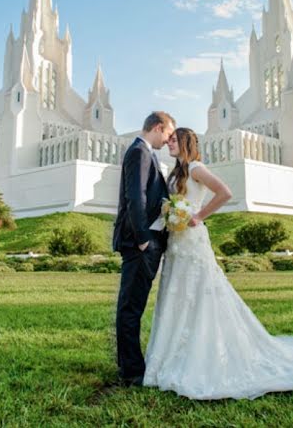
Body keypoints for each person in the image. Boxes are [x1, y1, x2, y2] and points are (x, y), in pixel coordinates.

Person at [143, 127, 293, 400]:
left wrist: (198, 215)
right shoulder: (176, 172)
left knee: (200, 294)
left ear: (185, 142)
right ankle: (174, 353)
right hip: (177, 243)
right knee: (177, 294)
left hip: (193, 241)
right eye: (169, 139)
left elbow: (224, 192)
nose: (169, 143)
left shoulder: (197, 168)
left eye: (174, 140)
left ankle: (202, 354)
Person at [112, 111, 176, 386]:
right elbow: (135, 196)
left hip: (147, 241)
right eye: (169, 134)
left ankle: (130, 363)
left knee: (133, 305)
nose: (169, 139)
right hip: (140, 243)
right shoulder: (139, 152)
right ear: (158, 128)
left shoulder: (147, 153)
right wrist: (142, 238)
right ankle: (132, 371)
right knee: (131, 307)